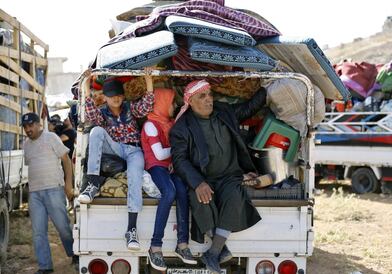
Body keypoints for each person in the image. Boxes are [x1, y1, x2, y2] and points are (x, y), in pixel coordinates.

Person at [170, 80, 266, 274]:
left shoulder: (224, 112)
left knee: (236, 195)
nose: (209, 100)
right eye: (202, 96)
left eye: (210, 94)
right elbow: (180, 160)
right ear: (190, 101)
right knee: (200, 199)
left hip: (230, 175)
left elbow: (248, 109)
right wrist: (198, 183)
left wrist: (266, 87)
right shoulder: (182, 127)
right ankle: (219, 249)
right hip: (204, 178)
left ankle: (213, 253)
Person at [78, 69, 154, 251]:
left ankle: (131, 228)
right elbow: (89, 112)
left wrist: (148, 79)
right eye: (112, 96)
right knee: (96, 131)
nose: (116, 99)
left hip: (134, 150)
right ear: (105, 97)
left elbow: (147, 105)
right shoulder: (102, 113)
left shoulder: (130, 108)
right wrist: (86, 83)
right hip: (116, 148)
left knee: (135, 178)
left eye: (119, 95)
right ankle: (92, 183)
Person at [141, 88, 196, 271]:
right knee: (169, 192)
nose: (174, 106)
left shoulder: (168, 123)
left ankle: (182, 244)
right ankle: (155, 246)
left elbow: (178, 122)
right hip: (156, 166)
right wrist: (179, 151)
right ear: (162, 103)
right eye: (172, 102)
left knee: (182, 190)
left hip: (169, 166)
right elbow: (159, 154)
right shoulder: (151, 125)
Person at [22, 112, 78, 274]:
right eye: (25, 127)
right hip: (35, 193)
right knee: (38, 232)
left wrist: (68, 185)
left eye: (30, 125)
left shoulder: (52, 137)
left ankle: (74, 253)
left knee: (63, 227)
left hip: (54, 189)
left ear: (39, 124)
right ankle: (45, 267)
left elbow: (66, 161)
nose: (28, 129)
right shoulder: (26, 144)